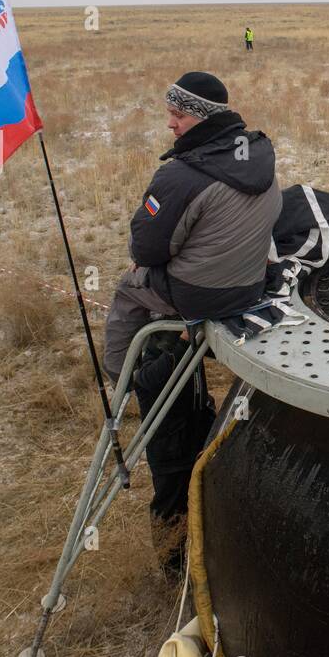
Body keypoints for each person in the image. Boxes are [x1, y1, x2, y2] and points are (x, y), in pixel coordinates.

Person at [102, 70, 281, 581]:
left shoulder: (180, 176)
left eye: (177, 115)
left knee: (128, 286)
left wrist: (155, 252)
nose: (170, 124)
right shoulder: (260, 153)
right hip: (249, 286)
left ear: (200, 117)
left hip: (196, 295)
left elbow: (147, 248)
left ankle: (123, 381)